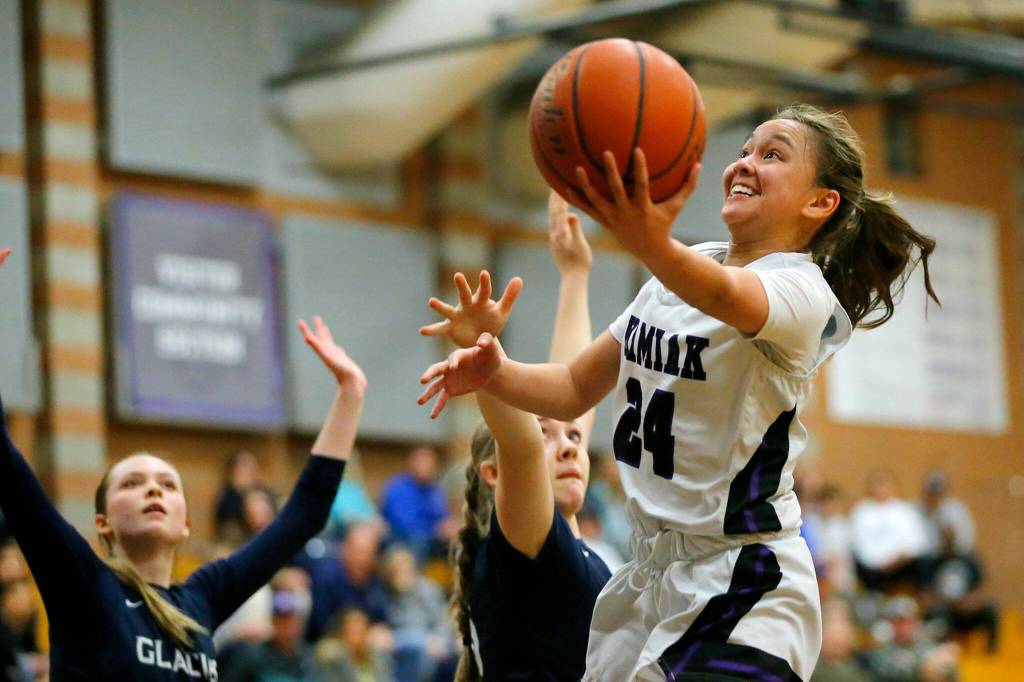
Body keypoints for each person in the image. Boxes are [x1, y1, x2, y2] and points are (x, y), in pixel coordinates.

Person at [418, 105, 938, 680]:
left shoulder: (802, 293)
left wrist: (647, 239)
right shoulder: (679, 273)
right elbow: (571, 388)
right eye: (745, 149)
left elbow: (725, 297)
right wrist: (495, 370)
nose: (744, 163)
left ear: (819, 202)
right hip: (648, 578)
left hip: (744, 578)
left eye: (772, 154)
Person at [0, 244, 367, 680]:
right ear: (102, 522)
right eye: (132, 483)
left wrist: (351, 392)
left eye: (168, 485)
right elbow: (9, 472)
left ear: (186, 523)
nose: (154, 489)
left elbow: (302, 516)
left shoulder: (202, 599)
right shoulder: (85, 584)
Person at [419, 191, 612, 680]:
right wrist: (489, 357)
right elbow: (524, 442)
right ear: (494, 472)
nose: (569, 444)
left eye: (573, 438)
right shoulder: (526, 545)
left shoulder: (562, 547)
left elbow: (569, 394)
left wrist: (574, 274)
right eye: (549, 437)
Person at [850, 468, 930, 592]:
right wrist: (881, 563)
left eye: (885, 484)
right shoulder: (862, 511)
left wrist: (899, 558)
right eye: (878, 483)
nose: (881, 488)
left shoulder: (905, 510)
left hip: (901, 565)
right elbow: (859, 546)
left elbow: (918, 543)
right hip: (873, 569)